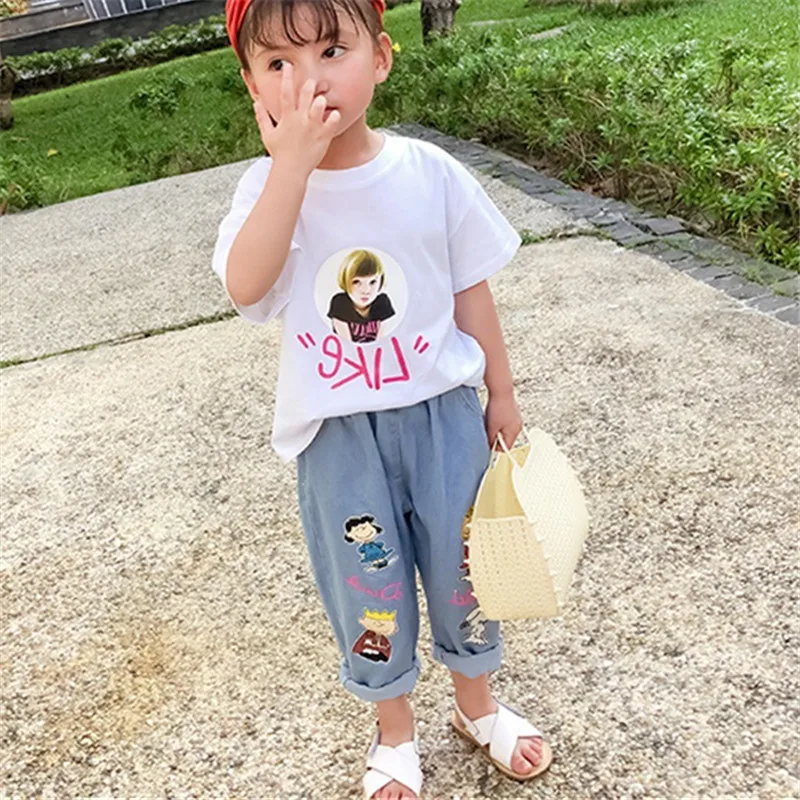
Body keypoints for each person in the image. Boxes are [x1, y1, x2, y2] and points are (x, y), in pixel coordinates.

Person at [212, 0, 553, 797]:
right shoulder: (266, 191)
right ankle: (393, 731)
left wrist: (501, 392)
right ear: (252, 86)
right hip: (338, 438)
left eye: (331, 50)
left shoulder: (430, 174)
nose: (309, 82)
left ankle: (477, 704)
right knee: (369, 589)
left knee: (466, 570)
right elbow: (247, 286)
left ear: (382, 57)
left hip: (442, 418)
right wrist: (291, 169)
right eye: (278, 64)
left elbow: (471, 290)